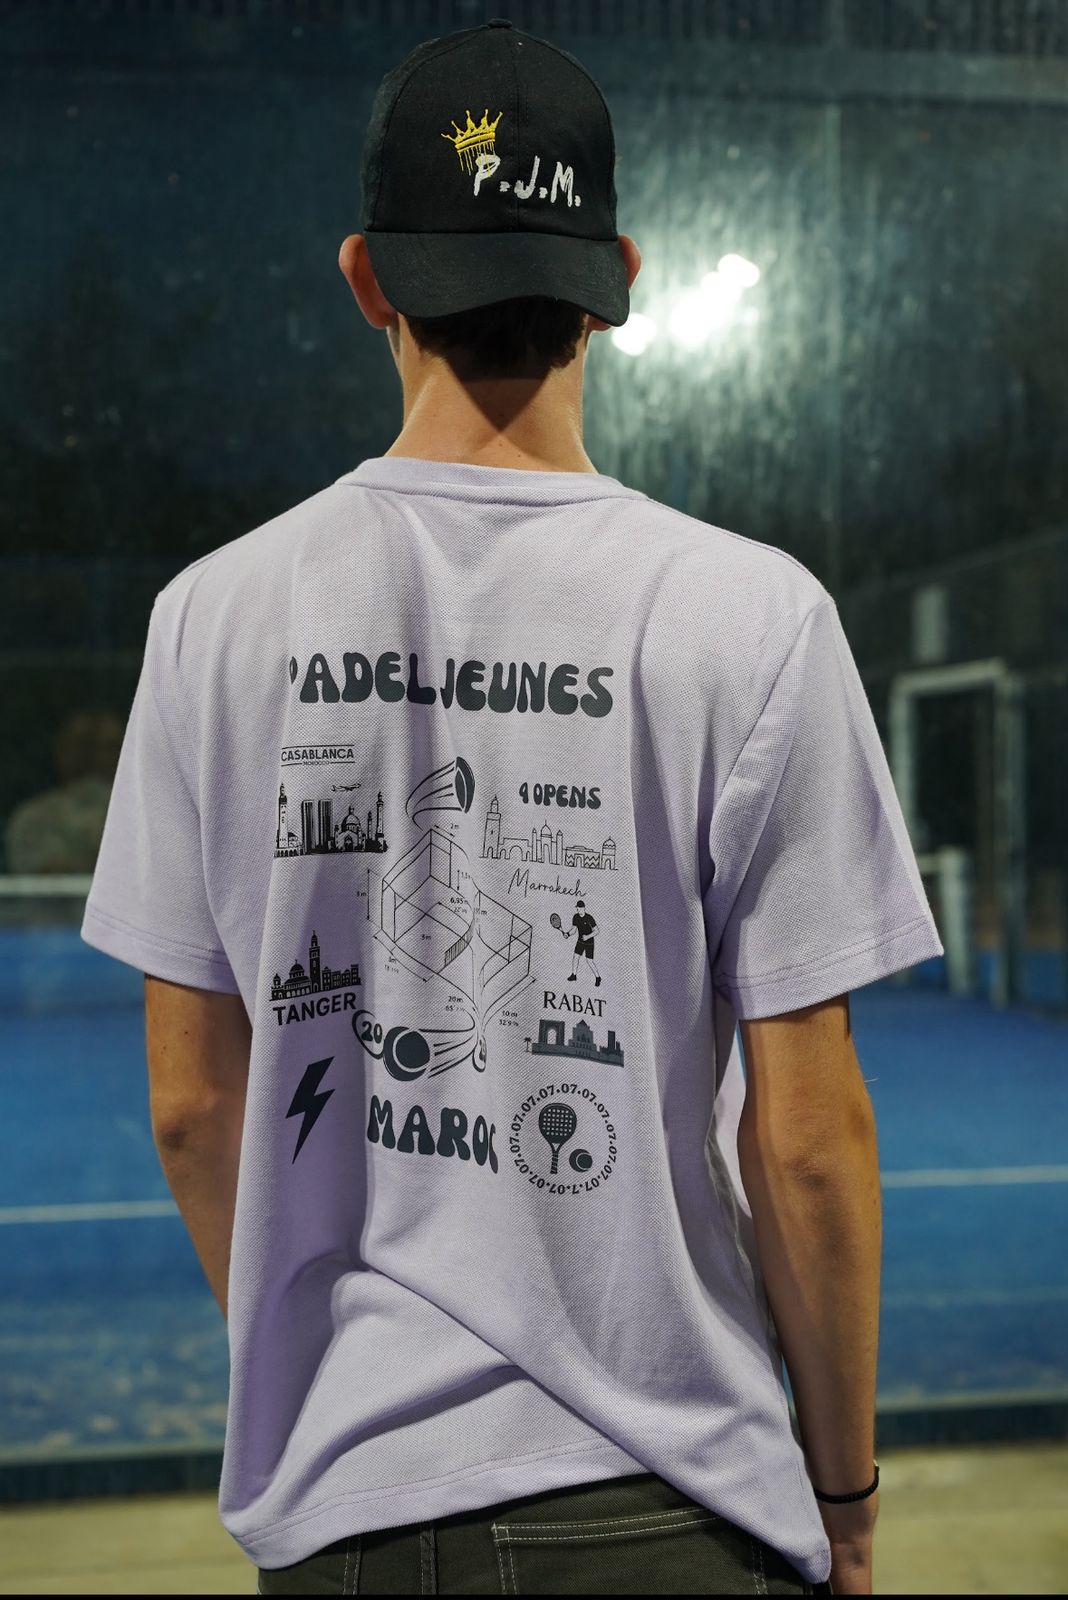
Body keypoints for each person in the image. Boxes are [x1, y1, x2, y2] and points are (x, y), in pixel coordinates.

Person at [81, 20, 944, 1597]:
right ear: (617, 280)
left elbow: (194, 1105)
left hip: (346, 1509)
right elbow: (811, 1140)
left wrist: (329, 1373)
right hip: (668, 1493)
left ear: (368, 280)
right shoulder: (751, 618)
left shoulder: (213, 618)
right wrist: (846, 1493)